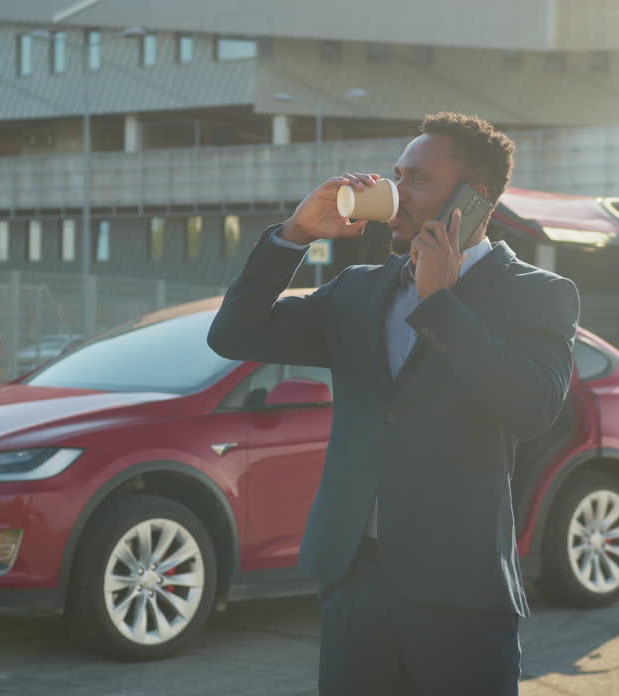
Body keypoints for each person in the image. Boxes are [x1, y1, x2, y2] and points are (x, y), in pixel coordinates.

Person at [207, 112, 580, 695]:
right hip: (354, 576)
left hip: (461, 587)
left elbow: (533, 408)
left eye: (418, 180)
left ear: (472, 197)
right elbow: (233, 335)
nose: (397, 193)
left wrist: (440, 303)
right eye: (397, 175)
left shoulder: (536, 294)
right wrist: (296, 234)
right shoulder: (360, 288)